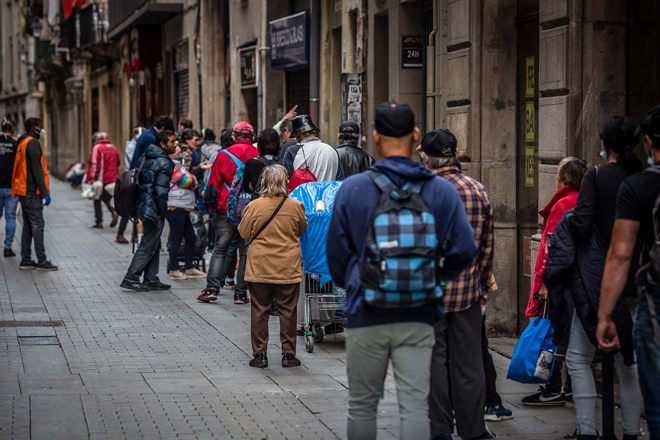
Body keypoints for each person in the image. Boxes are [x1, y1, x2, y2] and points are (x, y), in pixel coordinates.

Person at [327, 101, 477, 440]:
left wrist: (356, 280)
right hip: (419, 314)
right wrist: (432, 277)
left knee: (362, 406)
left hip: (366, 313)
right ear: (416, 137)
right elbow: (465, 250)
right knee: (414, 405)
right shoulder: (441, 190)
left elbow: (336, 258)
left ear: (375, 137)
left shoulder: (352, 189)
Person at [538, 117, 644, 440]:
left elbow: (582, 224)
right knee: (629, 360)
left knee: (578, 357)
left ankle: (587, 429)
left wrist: (570, 221)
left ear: (606, 145)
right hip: (636, 281)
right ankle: (630, 431)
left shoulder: (596, 177)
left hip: (599, 281)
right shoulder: (641, 178)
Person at [417, 129, 501, 439]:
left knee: (433, 366)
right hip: (467, 293)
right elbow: (487, 248)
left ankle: (439, 431)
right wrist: (481, 288)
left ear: (426, 158)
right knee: (469, 365)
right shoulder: (477, 190)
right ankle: (473, 430)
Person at [597, 105, 660, 439]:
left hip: (653, 297)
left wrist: (605, 315)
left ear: (648, 141)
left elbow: (620, 256)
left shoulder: (638, 187)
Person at [522, 156, 589, 406]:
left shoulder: (563, 204)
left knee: (555, 333)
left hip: (559, 281)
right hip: (580, 279)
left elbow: (551, 248)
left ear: (565, 178)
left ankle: (552, 387)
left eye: (559, 174)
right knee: (572, 333)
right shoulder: (584, 200)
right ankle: (570, 386)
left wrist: (542, 282)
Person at [238, 165, 307, 368]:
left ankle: (260, 355)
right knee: (288, 310)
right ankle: (288, 354)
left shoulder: (254, 206)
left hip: (260, 265)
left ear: (264, 182)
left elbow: (243, 233)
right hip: (287, 265)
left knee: (260, 309)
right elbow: (301, 229)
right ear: (285, 182)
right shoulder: (295, 206)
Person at [199, 122, 258, 304]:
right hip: (251, 210)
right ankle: (240, 293)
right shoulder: (257, 154)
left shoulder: (223, 155)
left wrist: (212, 208)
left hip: (226, 208)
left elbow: (213, 186)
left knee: (220, 250)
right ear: (252, 137)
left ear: (233, 137)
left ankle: (212, 289)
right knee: (245, 252)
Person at [120, 130, 176, 291]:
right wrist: (160, 211)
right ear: (163, 144)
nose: (175, 144)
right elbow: (160, 191)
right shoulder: (164, 162)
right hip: (153, 208)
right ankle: (131, 277)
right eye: (172, 142)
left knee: (154, 241)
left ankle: (151, 278)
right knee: (148, 243)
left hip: (143, 204)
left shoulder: (146, 156)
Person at [11, 118, 57, 271]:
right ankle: (42, 261)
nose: (42, 130)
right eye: (40, 127)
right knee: (38, 225)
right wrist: (45, 193)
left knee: (28, 226)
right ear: (33, 128)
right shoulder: (33, 143)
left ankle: (26, 259)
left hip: (23, 191)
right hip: (31, 191)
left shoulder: (22, 142)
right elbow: (37, 170)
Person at [166, 152, 206, 281]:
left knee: (190, 237)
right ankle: (174, 270)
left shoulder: (180, 168)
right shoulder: (170, 168)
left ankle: (189, 267)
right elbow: (189, 181)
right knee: (176, 239)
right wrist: (193, 180)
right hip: (175, 207)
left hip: (183, 207)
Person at [282, 115, 345, 182]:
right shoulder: (332, 150)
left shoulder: (292, 151)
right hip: (329, 192)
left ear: (298, 134)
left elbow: (287, 182)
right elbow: (340, 180)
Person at [86, 132, 120, 229]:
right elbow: (118, 162)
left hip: (101, 178)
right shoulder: (113, 147)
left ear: (96, 140)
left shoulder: (97, 148)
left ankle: (99, 221)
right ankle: (113, 212)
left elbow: (94, 164)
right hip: (113, 177)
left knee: (97, 199)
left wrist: (92, 177)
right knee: (106, 198)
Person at [117, 126, 146, 244]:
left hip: (136, 178)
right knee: (129, 206)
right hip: (131, 178)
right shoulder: (131, 146)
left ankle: (134, 235)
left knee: (137, 208)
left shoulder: (138, 145)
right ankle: (120, 233)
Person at [243, 128, 281, 201]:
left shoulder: (251, 163)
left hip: (258, 204)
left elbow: (246, 189)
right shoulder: (283, 162)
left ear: (259, 144)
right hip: (279, 205)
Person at [0, 117, 19, 257]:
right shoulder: (16, 144)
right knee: (10, 217)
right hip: (11, 187)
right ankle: (7, 248)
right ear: (12, 128)